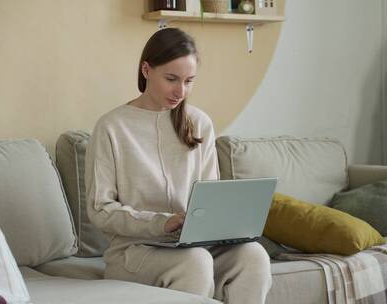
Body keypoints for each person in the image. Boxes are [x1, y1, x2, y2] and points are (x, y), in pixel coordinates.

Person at [85, 28, 272, 304]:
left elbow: (211, 196)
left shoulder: (199, 123)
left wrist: (223, 223)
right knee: (194, 262)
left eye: (189, 81)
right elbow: (101, 210)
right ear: (146, 70)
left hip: (194, 245)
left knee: (253, 254)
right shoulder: (112, 127)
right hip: (135, 252)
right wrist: (163, 223)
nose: (180, 91)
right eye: (171, 79)